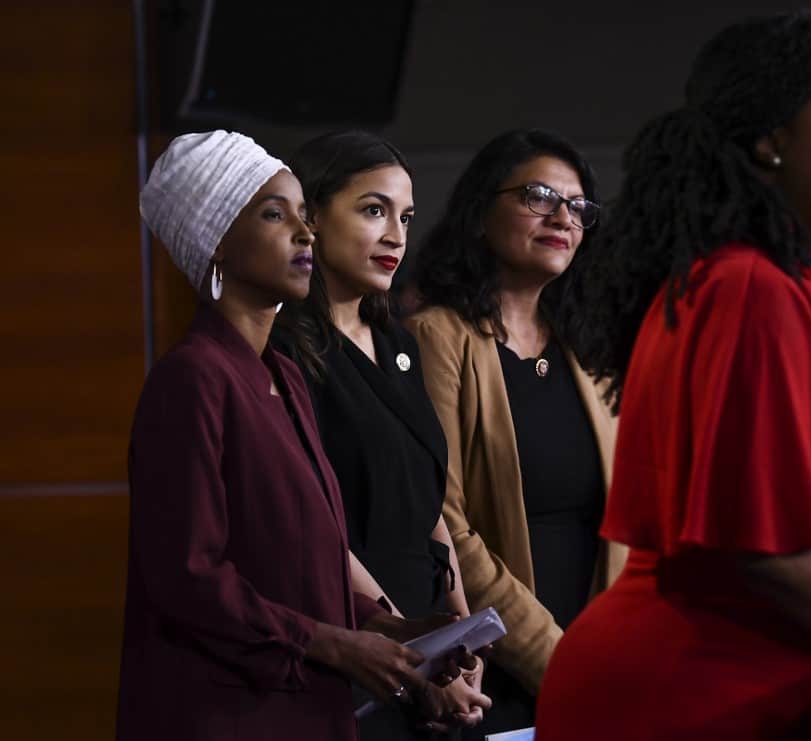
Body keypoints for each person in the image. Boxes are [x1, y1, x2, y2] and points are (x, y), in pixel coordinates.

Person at [534, 11, 811, 740]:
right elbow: (765, 548)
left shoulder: (804, 282)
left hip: (760, 683)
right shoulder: (747, 289)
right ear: (771, 140)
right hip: (692, 693)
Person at [119, 131, 460, 741]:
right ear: (215, 241)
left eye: (305, 216)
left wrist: (391, 633)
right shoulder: (192, 379)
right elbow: (189, 580)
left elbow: (313, 561)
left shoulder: (283, 376)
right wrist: (338, 644)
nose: (305, 234)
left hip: (308, 708)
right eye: (276, 215)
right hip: (228, 715)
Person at [406, 128, 628, 738]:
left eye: (579, 207)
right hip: (491, 674)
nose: (563, 216)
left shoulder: (590, 352)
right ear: (480, 213)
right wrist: (555, 659)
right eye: (538, 196)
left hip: (600, 668)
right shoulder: (437, 336)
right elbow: (444, 525)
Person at [271, 130, 491, 739]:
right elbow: (316, 528)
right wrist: (412, 649)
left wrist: (463, 634)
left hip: (430, 637)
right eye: (374, 210)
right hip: (357, 641)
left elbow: (430, 501)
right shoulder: (285, 351)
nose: (397, 234)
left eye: (406, 216)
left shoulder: (397, 341)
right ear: (310, 216)